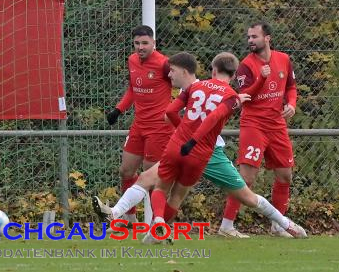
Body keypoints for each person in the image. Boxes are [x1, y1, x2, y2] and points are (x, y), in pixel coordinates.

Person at [93, 52, 307, 241]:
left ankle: (135, 219)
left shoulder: (197, 87)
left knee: (156, 185)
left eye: (173, 71)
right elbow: (218, 112)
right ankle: (287, 225)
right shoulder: (229, 95)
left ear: (212, 70)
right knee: (244, 197)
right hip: (205, 150)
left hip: (196, 149)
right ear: (233, 76)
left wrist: (183, 133)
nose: (169, 75)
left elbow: (170, 113)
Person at [220, 22, 298, 238]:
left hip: (277, 125)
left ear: (267, 38)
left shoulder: (283, 59)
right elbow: (245, 96)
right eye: (248, 37)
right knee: (246, 178)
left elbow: (291, 87)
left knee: (285, 175)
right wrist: (262, 77)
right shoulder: (246, 65)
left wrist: (291, 103)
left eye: (254, 36)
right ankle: (227, 226)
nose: (250, 40)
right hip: (254, 125)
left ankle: (278, 226)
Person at [105, 25, 174, 227]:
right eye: (137, 43)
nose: (140, 47)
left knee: (151, 178)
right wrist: (118, 110)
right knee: (126, 171)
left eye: (145, 43)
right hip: (138, 126)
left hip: (159, 128)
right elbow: (133, 89)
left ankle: (157, 223)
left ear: (154, 43)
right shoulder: (132, 60)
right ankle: (130, 219)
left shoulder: (164, 64)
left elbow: (184, 86)